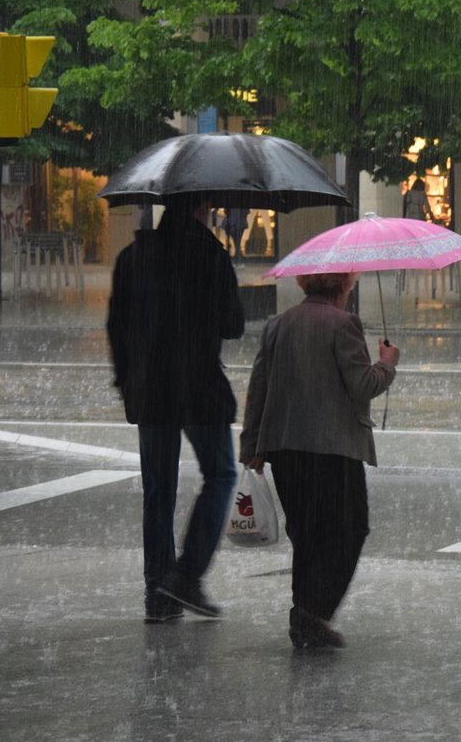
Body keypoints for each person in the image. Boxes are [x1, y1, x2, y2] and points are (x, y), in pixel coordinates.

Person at [240, 271, 399, 649]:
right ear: (343, 286)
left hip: (285, 447)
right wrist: (387, 362)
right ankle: (313, 613)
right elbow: (363, 385)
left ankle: (305, 613)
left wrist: (252, 445)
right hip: (333, 449)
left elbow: (259, 386)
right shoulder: (344, 324)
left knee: (306, 534)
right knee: (350, 528)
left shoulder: (278, 324)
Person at [107, 197, 245, 623]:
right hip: (198, 386)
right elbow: (234, 325)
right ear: (201, 208)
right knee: (221, 474)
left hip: (151, 388)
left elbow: (116, 327)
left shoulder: (133, 257)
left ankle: (158, 594)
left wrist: (127, 379)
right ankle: (186, 575)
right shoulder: (210, 255)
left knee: (158, 491)